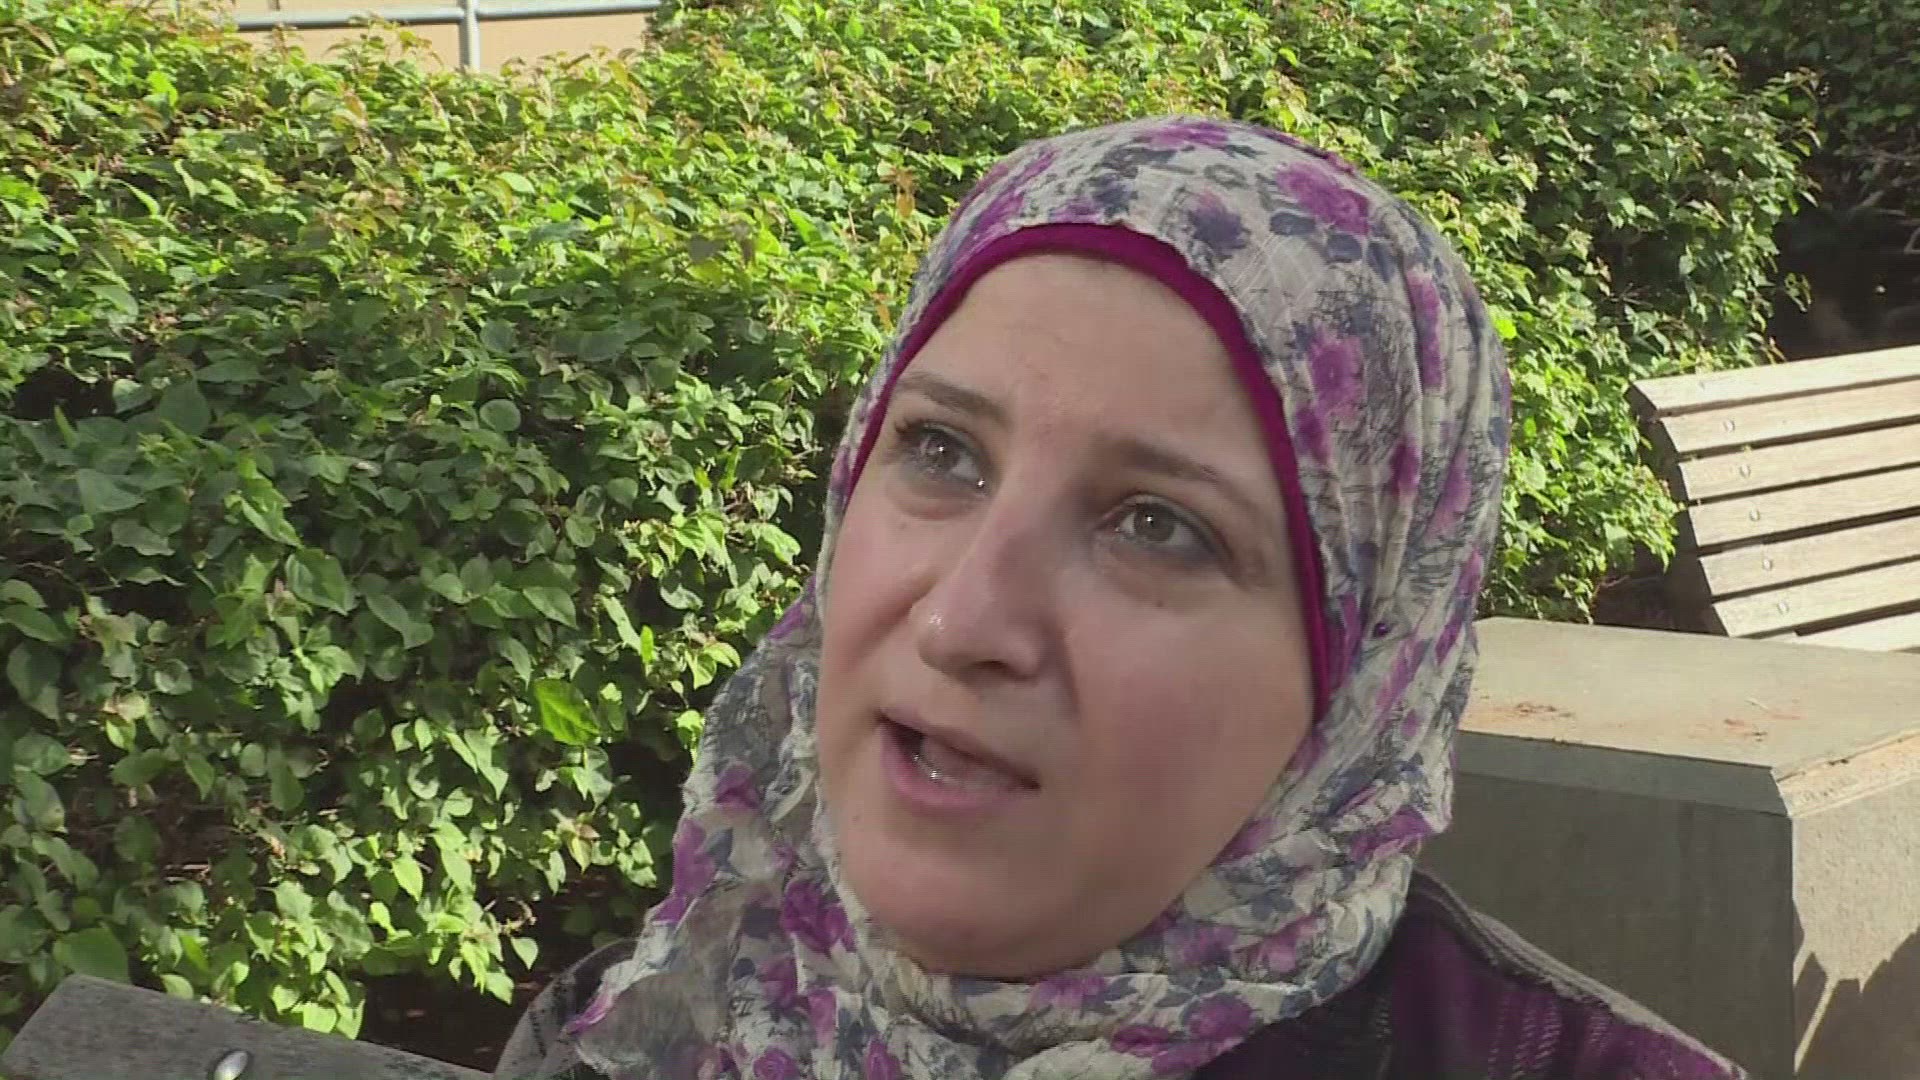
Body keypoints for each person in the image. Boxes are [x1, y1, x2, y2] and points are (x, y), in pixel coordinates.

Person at [495, 116, 1746, 1080]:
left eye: (1159, 526)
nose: (962, 622)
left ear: (1365, 681)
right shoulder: (636, 1034)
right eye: (941, 451)